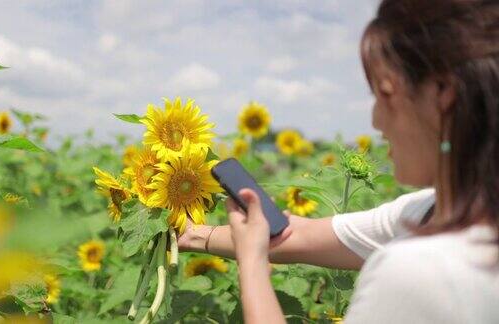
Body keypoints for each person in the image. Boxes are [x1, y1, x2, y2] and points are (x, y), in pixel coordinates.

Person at [178, 0, 499, 323]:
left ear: (443, 94)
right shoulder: (431, 210)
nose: (375, 121)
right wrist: (193, 234)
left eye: (385, 94)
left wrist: (252, 264)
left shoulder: (421, 272)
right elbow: (297, 236)